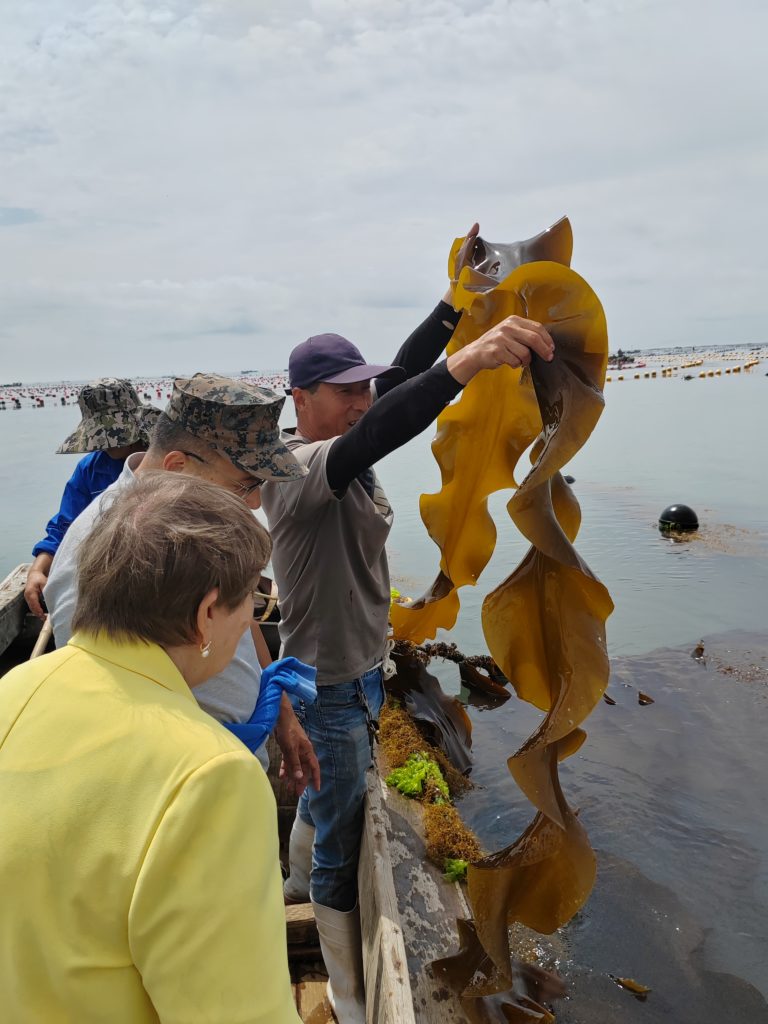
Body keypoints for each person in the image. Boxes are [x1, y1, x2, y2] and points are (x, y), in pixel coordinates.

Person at [261, 226, 556, 1023]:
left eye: (364, 387)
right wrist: (469, 360)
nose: (360, 400)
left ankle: (288, 883)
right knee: (340, 839)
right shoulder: (298, 467)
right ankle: (354, 1000)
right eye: (343, 390)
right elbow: (385, 424)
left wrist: (451, 306)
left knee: (325, 800)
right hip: (325, 688)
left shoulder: (342, 448)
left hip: (352, 674)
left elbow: (395, 391)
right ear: (301, 397)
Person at [0, 473, 301, 1023]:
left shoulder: (13, 691)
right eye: (251, 602)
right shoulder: (211, 777)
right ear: (207, 614)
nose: (252, 621)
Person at [45, 373, 320, 789]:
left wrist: (280, 711)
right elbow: (103, 711)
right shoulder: (93, 558)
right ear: (177, 467)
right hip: (178, 787)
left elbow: (242, 619)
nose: (254, 503)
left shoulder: (198, 524)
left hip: (236, 760)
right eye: (246, 484)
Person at [24, 377, 161, 618]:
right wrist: (37, 570)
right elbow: (65, 526)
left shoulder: (165, 459)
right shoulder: (90, 468)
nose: (105, 444)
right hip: (105, 573)